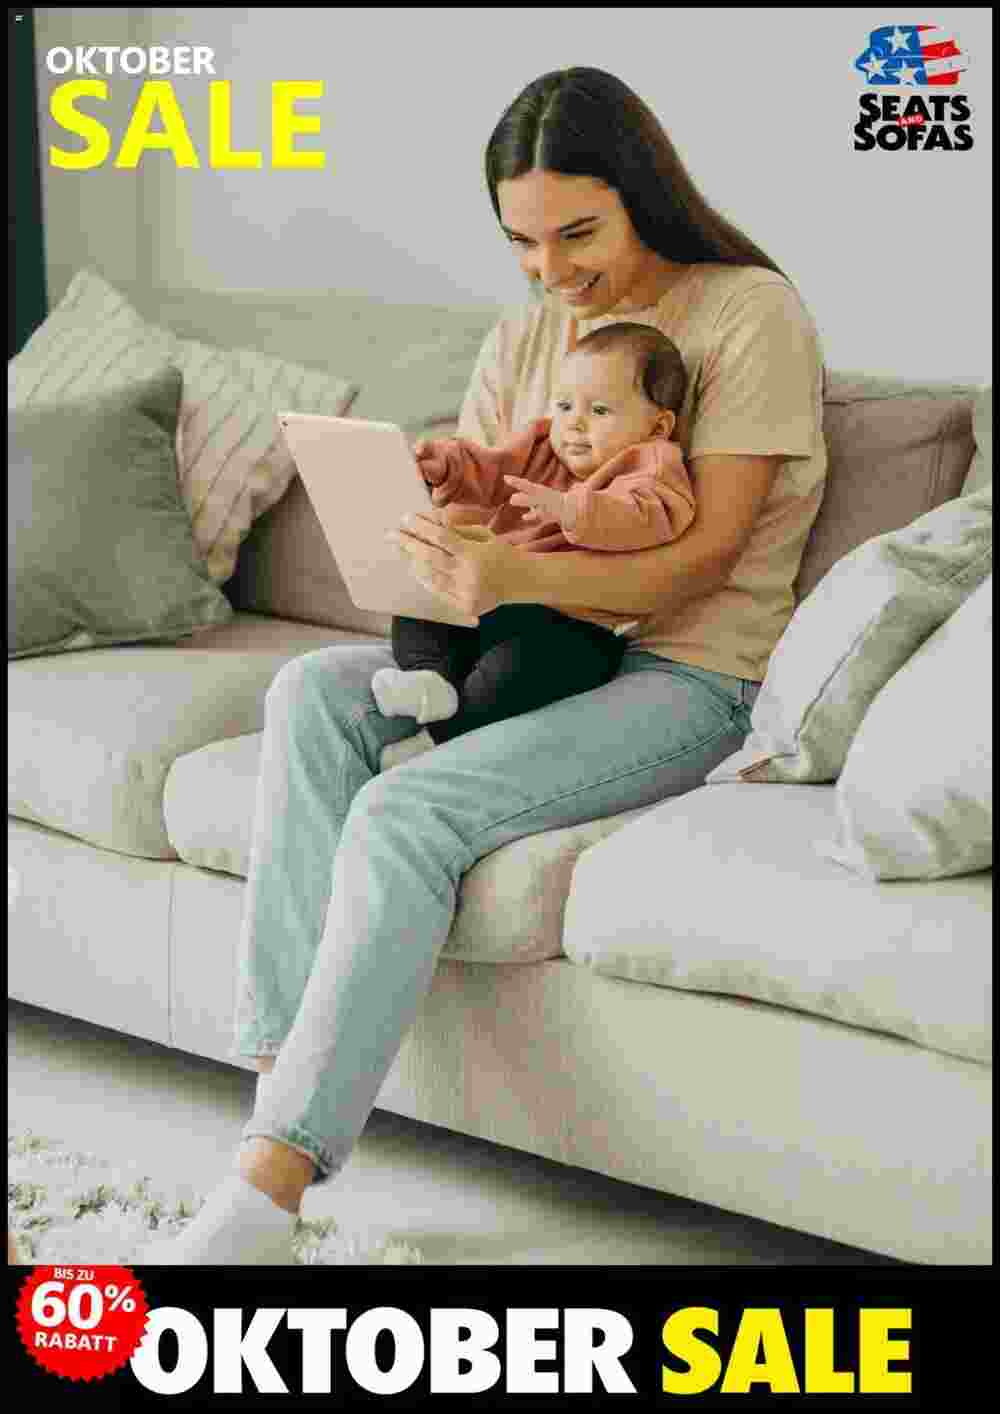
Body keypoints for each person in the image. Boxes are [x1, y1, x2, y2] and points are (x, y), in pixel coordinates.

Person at [141, 66, 826, 1264]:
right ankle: (274, 1082)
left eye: (578, 235)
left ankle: (268, 1185)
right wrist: (426, 523)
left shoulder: (745, 313)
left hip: (686, 676)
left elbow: (699, 559)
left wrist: (506, 578)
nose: (551, 272)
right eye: (521, 240)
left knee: (408, 809)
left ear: (644, 200)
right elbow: (491, 503)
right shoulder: (526, 338)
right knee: (305, 689)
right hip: (525, 649)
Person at [374, 322, 696, 770]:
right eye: (565, 405)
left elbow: (652, 517)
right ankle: (429, 678)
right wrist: (447, 466)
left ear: (657, 425)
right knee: (421, 598)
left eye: (600, 410)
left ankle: (441, 737)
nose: (575, 424)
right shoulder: (544, 442)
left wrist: (572, 511)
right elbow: (489, 470)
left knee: (521, 670)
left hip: (570, 622)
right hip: (495, 596)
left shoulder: (652, 464)